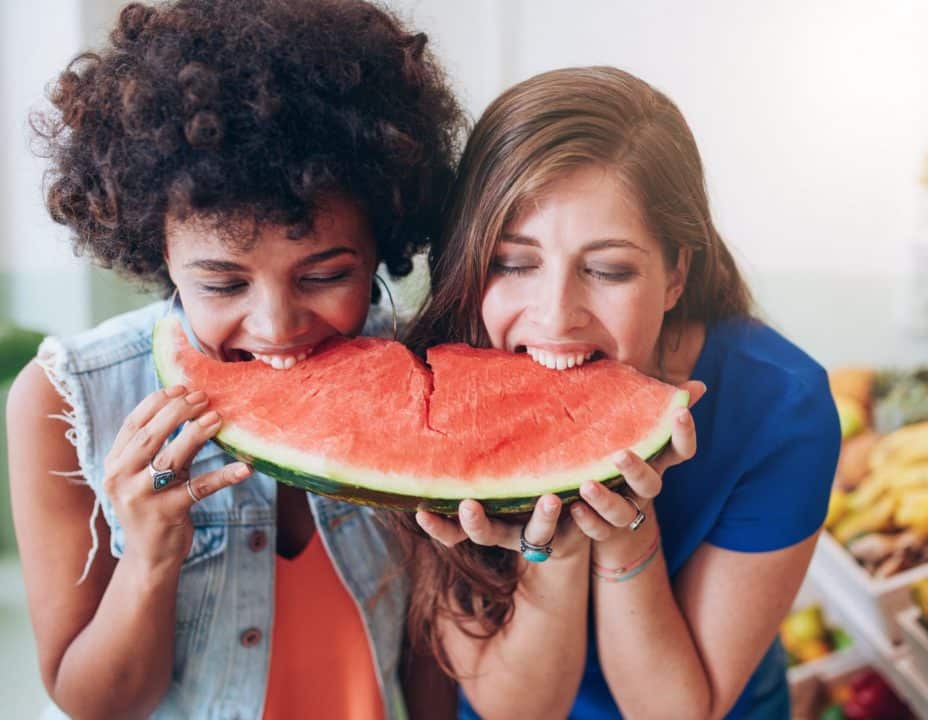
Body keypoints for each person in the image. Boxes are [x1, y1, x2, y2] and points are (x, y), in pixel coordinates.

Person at [6, 1, 463, 718]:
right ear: (154, 245)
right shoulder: (65, 401)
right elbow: (93, 703)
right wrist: (152, 552)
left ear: (382, 237)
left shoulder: (425, 382)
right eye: (222, 282)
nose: (277, 326)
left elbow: (430, 660)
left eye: (324, 275)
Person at [405, 66, 841, 719]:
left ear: (675, 275)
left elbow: (675, 711)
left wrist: (626, 534)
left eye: (608, 269)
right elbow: (517, 711)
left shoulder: (785, 408)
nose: (555, 315)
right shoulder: (427, 389)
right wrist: (558, 545)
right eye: (513, 262)